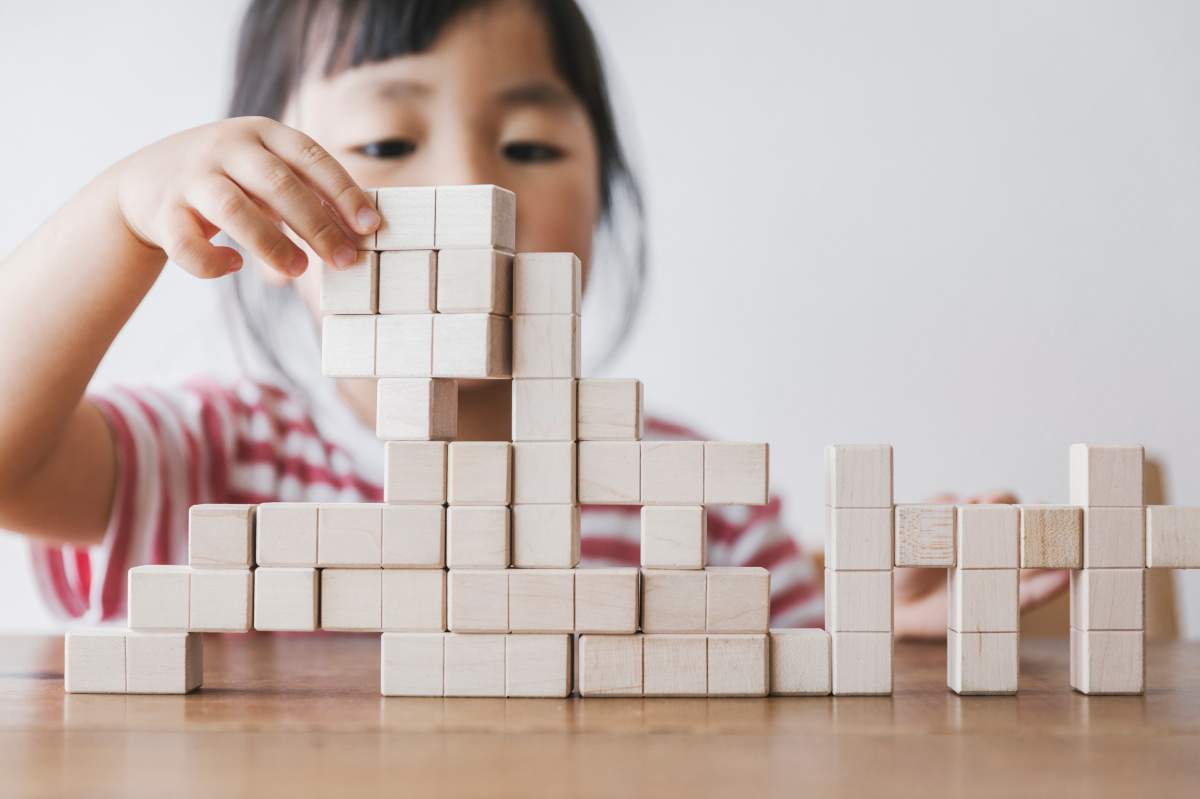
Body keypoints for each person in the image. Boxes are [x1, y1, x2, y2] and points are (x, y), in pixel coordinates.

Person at [0, 0, 1065, 635]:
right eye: (382, 145)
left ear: (604, 205)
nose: (468, 190)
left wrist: (882, 643)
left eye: (530, 149)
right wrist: (118, 216)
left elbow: (791, 724)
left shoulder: (700, 506)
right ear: (256, 196)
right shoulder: (216, 458)